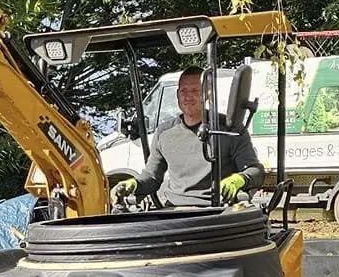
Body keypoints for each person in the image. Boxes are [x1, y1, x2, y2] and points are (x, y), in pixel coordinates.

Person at [112, 67, 265, 209]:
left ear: (207, 95)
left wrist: (239, 179)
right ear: (177, 94)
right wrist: (134, 184)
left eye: (194, 90)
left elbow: (256, 171)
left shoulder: (230, 130)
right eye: (183, 90)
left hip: (218, 212)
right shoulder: (164, 132)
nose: (188, 96)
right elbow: (152, 177)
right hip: (175, 212)